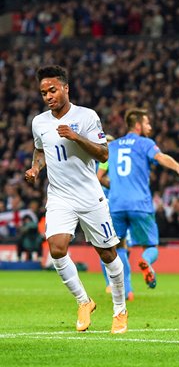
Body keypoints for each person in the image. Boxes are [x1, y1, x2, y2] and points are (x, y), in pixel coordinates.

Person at [25, 65, 127, 334]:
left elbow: (103, 154)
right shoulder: (39, 122)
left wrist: (75, 136)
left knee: (107, 254)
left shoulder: (86, 117)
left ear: (66, 88)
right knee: (57, 249)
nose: (48, 96)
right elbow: (40, 150)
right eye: (44, 92)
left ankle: (120, 310)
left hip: (90, 196)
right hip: (60, 197)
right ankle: (84, 301)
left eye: (53, 90)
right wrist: (36, 168)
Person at [106, 108, 179, 290]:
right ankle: (146, 262)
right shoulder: (145, 143)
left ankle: (126, 291)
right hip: (139, 204)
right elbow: (160, 157)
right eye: (147, 123)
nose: (150, 127)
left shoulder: (112, 146)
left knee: (118, 247)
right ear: (138, 125)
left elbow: (100, 172)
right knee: (151, 246)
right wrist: (178, 168)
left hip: (116, 203)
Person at [97, 134, 134, 301]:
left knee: (115, 248)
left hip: (116, 206)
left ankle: (122, 286)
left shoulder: (108, 162)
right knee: (113, 247)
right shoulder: (101, 162)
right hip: (108, 205)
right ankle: (119, 286)